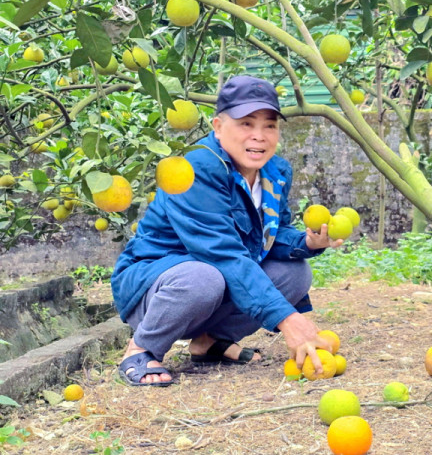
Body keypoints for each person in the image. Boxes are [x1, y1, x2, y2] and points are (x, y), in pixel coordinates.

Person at [111, 75, 341, 386]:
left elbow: (270, 235)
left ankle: (210, 342)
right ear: (218, 127)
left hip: (212, 281)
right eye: (246, 124)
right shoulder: (195, 169)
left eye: (269, 125)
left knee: (294, 272)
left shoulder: (274, 172)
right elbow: (222, 253)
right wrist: (288, 319)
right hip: (157, 284)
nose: (259, 136)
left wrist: (308, 242)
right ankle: (140, 348)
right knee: (203, 278)